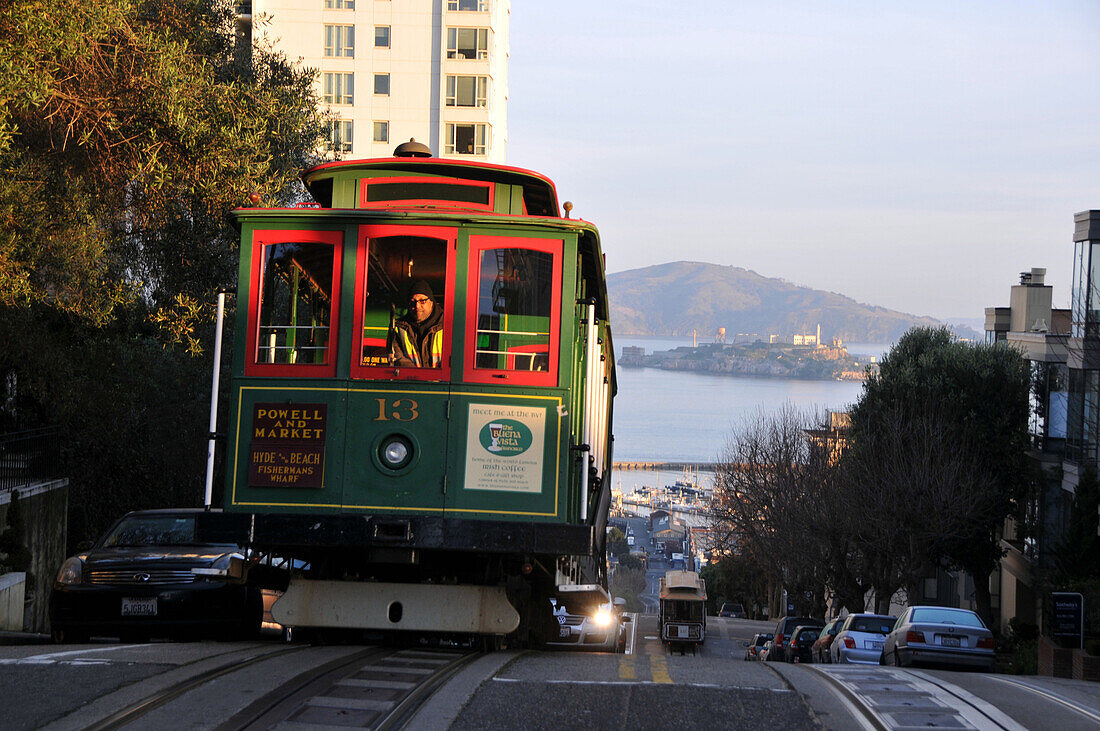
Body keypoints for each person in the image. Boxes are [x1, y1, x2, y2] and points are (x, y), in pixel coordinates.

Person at [391, 280, 443, 367]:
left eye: (422, 301)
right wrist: (416, 377)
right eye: (413, 301)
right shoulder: (399, 328)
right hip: (413, 379)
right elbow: (398, 358)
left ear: (431, 302)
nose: (417, 306)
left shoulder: (448, 325)